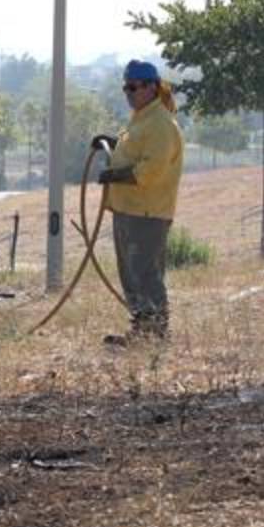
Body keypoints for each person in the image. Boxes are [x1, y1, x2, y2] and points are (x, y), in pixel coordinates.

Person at [93, 59, 184, 345]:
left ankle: (155, 333)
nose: (129, 93)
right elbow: (134, 151)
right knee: (131, 273)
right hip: (128, 209)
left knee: (144, 272)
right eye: (126, 88)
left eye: (133, 87)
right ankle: (142, 330)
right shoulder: (142, 119)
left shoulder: (161, 124)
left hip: (147, 212)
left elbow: (150, 170)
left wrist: (115, 174)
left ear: (152, 87)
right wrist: (113, 144)